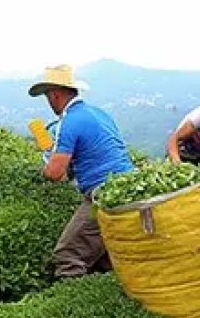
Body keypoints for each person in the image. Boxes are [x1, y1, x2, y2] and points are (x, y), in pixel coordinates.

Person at [29, 64, 135, 277]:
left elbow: (55, 174)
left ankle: (68, 306)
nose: (48, 102)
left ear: (55, 94)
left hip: (104, 193)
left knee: (67, 256)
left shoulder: (69, 123)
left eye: (47, 96)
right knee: (105, 258)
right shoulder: (99, 114)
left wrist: (47, 159)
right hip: (129, 187)